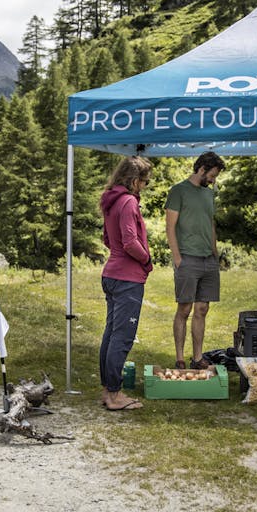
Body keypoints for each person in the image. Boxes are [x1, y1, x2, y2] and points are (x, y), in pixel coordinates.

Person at [99, 156, 154, 411]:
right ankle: (115, 395)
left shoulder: (110, 201)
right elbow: (131, 242)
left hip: (111, 273)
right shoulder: (129, 202)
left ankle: (107, 391)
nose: (144, 186)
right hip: (127, 279)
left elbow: (108, 239)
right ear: (134, 180)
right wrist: (146, 259)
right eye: (144, 182)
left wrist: (120, 254)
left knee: (111, 334)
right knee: (122, 337)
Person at [165, 151, 225, 370]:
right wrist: (177, 258)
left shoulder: (209, 195)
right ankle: (180, 358)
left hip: (208, 259)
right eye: (212, 175)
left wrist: (215, 253)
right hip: (187, 258)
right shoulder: (178, 191)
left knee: (202, 309)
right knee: (184, 309)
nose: (213, 179)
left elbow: (210, 223)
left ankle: (197, 357)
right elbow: (170, 227)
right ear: (202, 169)